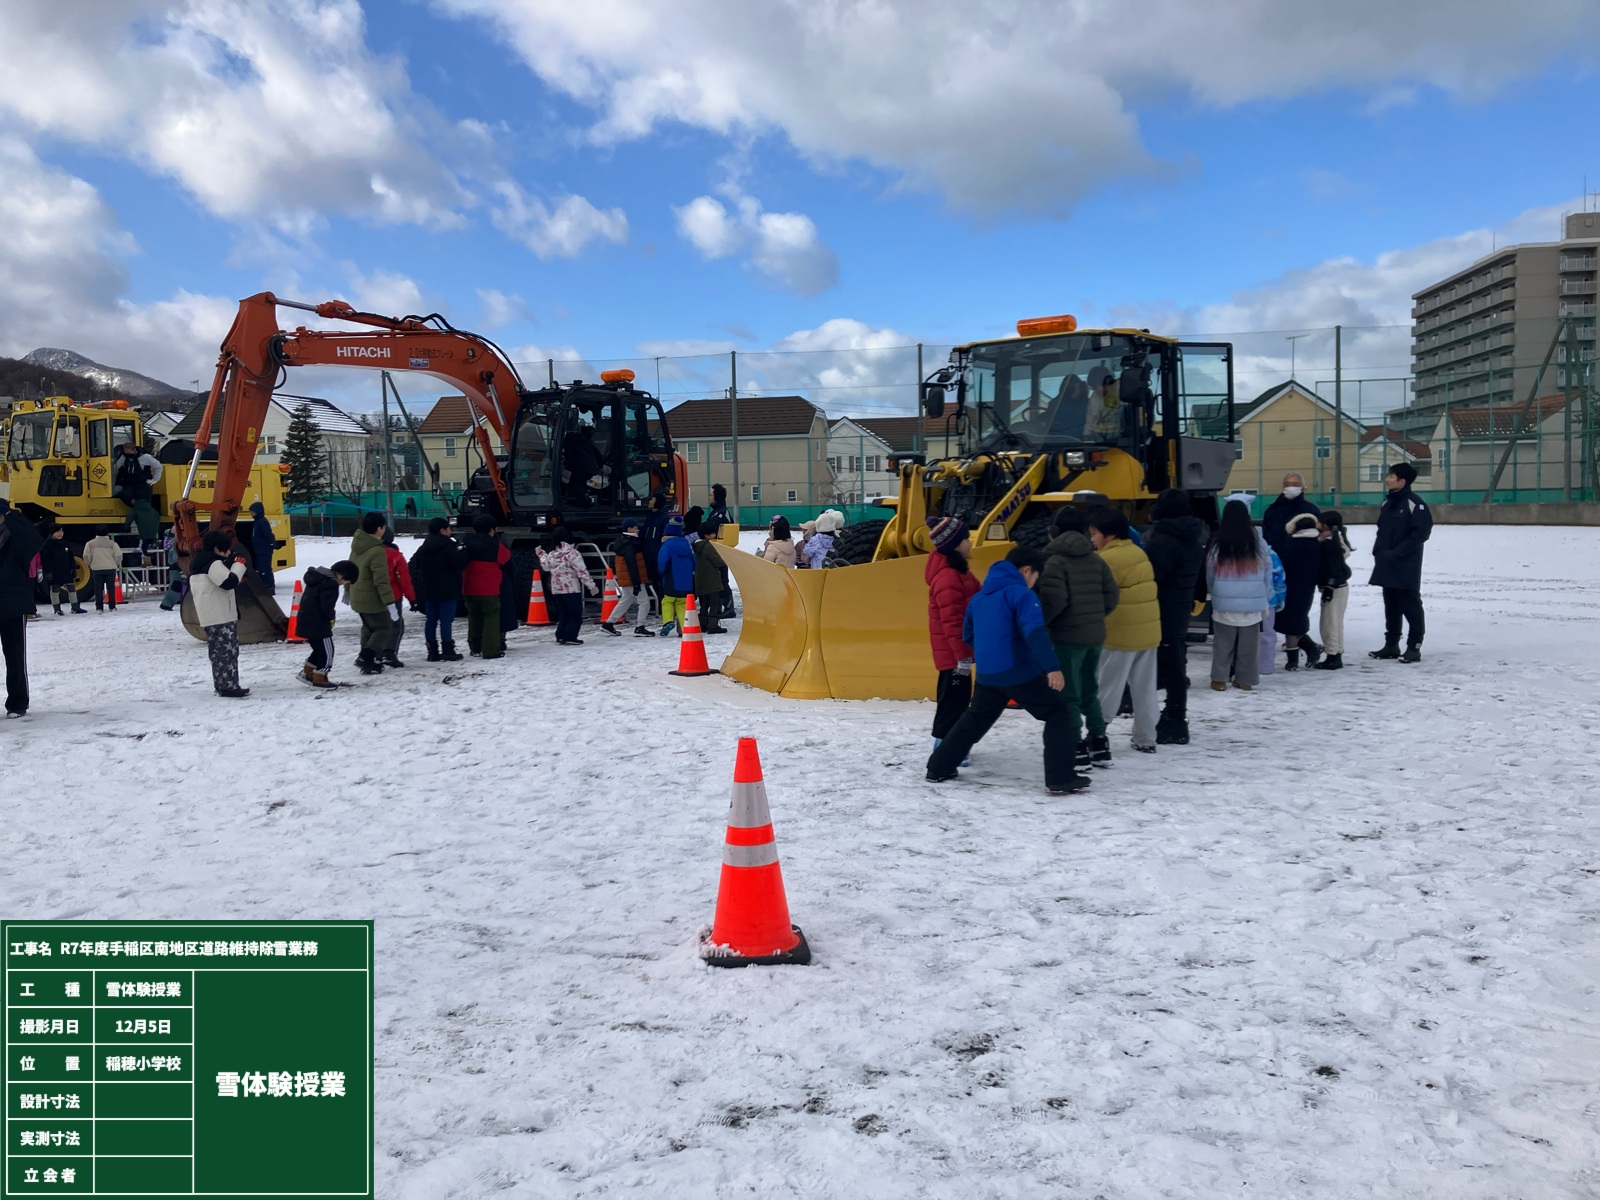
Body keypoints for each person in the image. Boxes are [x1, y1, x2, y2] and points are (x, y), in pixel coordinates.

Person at [925, 546, 1087, 795]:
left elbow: (968, 634)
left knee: (975, 718)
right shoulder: (1020, 594)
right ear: (1026, 570)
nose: (1034, 583)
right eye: (1035, 577)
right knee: (1058, 713)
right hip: (1018, 670)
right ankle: (1061, 778)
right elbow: (1035, 632)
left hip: (988, 674)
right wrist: (1052, 668)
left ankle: (938, 767)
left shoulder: (980, 597)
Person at [1036, 506, 1119, 770]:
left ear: (1054, 531)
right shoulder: (1097, 559)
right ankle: (1099, 741)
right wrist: (1094, 617)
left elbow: (1054, 600)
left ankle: (1076, 747)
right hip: (1095, 635)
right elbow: (1112, 597)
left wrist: (1044, 624)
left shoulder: (1053, 561)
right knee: (1089, 690)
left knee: (1068, 694)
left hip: (1066, 638)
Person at [1090, 507, 1161, 756]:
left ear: (1108, 534)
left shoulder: (1106, 560)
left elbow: (1098, 597)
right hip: (1148, 632)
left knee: (1108, 689)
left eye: (1095, 533)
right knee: (1145, 689)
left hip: (1119, 634)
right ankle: (1146, 738)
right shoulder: (1138, 552)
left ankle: (1097, 733)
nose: (1092, 538)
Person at [1143, 489, 1207, 745]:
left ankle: (1175, 720)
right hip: (1180, 608)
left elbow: (1152, 577)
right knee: (1176, 664)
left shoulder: (1163, 541)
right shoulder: (1193, 538)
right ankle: (1175, 716)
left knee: (1170, 667)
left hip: (1161, 609)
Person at [1205, 499, 1274, 692]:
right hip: (1253, 602)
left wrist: (1214, 590)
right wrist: (1263, 594)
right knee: (1249, 646)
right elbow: (1267, 571)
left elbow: (1210, 571)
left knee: (1222, 643)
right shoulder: (1258, 541)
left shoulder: (1218, 541)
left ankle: (1219, 679)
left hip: (1224, 600)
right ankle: (1246, 680)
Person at [924, 516, 980, 753]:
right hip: (953, 655)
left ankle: (953, 745)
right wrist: (962, 657)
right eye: (966, 539)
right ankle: (945, 746)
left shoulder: (960, 572)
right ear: (955, 545)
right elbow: (952, 622)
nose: (970, 543)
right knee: (952, 702)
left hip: (958, 652)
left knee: (958, 699)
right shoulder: (948, 578)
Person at [1369, 462, 1432, 663]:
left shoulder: (1416, 503)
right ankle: (1391, 645)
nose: (1387, 479)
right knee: (1391, 604)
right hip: (1386, 562)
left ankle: (1414, 646)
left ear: (1402, 481)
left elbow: (1421, 533)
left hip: (1406, 565)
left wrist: (1398, 553)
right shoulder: (1387, 504)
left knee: (1410, 604)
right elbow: (1382, 530)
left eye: (1391, 476)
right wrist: (1378, 551)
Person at [1262, 473, 1323, 669]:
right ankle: (1304, 648)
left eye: (1295, 484)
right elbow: (1267, 537)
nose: (1291, 487)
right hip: (1278, 569)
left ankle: (1296, 656)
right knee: (1280, 613)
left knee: (1296, 612)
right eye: (1287, 484)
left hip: (1303, 571)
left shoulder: (1309, 510)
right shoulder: (1272, 511)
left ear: (1303, 487)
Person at [188, 528, 251, 698]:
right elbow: (228, 582)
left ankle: (222, 685)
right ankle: (229, 687)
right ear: (217, 547)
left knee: (217, 653)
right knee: (227, 652)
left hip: (209, 616)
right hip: (221, 615)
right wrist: (239, 564)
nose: (228, 551)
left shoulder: (199, 563)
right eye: (226, 548)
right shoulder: (213, 564)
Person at [0, 500, 44, 717]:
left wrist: (12, 515)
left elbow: (34, 540)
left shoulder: (16, 539)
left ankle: (17, 703)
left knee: (15, 656)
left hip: (13, 606)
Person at [410, 517, 468, 661]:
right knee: (446, 621)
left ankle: (432, 651)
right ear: (442, 530)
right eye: (448, 528)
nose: (450, 530)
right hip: (448, 588)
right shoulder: (448, 546)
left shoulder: (424, 547)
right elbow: (459, 564)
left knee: (431, 621)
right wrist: (464, 553)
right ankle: (448, 649)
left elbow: (416, 564)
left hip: (429, 588)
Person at [346, 511, 397, 675]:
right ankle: (366, 657)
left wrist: (347, 590)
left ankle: (368, 662)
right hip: (371, 598)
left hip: (357, 595)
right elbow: (381, 581)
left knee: (368, 627)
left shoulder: (358, 545)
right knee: (383, 628)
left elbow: (350, 569)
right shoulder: (376, 551)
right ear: (379, 529)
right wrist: (390, 603)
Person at [296, 560, 358, 687]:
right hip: (319, 622)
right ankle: (320, 677)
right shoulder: (330, 584)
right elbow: (327, 606)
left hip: (306, 619)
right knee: (328, 651)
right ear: (342, 575)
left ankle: (308, 672)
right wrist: (331, 618)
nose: (344, 584)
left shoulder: (317, 578)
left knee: (319, 650)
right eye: (346, 581)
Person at [538, 526, 599, 645]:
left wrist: (541, 554)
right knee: (575, 614)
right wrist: (591, 586)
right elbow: (582, 571)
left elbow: (545, 567)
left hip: (556, 590)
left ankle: (560, 635)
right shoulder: (573, 553)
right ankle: (570, 636)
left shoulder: (552, 554)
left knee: (564, 613)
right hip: (571, 589)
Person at [462, 513, 510, 658]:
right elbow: (506, 558)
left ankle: (474, 647)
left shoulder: (466, 542)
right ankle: (491, 650)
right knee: (491, 618)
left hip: (469, 586)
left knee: (473, 616)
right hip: (489, 587)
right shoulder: (495, 544)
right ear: (491, 529)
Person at [1313, 511, 1354, 671]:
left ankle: (1333, 656)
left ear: (1325, 525)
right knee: (1335, 622)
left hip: (1333, 588)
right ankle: (1336, 652)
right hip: (1339, 587)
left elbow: (1333, 567)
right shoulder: (1336, 539)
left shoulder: (1328, 543)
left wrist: (1329, 586)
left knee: (1330, 623)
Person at [606, 516, 653, 636]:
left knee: (626, 600)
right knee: (644, 602)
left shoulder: (622, 541)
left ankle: (609, 623)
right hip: (633, 578)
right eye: (636, 528)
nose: (638, 530)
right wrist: (637, 583)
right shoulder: (631, 544)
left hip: (627, 578)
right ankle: (640, 626)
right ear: (629, 529)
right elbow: (632, 564)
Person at [113, 442, 163, 546]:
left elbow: (158, 467)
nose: (126, 453)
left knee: (146, 511)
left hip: (143, 486)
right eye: (124, 451)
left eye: (127, 451)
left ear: (133, 449)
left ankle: (151, 538)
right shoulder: (124, 458)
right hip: (130, 485)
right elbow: (116, 468)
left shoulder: (145, 458)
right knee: (123, 495)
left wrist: (154, 480)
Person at [656, 514, 695, 637]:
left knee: (667, 601)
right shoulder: (687, 545)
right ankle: (684, 628)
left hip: (671, 580)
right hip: (686, 583)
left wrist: (661, 572)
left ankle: (668, 621)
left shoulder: (666, 546)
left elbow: (662, 562)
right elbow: (694, 562)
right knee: (682, 604)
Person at [381, 529, 415, 667]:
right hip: (392, 595)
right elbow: (404, 579)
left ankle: (373, 653)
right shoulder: (395, 556)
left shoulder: (367, 553)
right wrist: (412, 598)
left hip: (372, 595)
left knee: (376, 625)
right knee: (396, 625)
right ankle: (389, 653)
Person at [38, 526, 82, 616]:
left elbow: (71, 557)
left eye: (61, 532)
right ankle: (57, 609)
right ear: (52, 533)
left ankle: (75, 607)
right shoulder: (47, 545)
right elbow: (45, 560)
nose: (60, 534)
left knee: (71, 588)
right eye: (57, 532)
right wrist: (48, 572)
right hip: (54, 571)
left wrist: (73, 568)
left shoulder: (65, 543)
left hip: (66, 570)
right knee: (55, 589)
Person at [692, 534, 728, 634]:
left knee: (705, 602)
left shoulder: (697, 546)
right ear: (706, 535)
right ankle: (712, 625)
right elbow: (717, 561)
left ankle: (702, 624)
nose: (715, 535)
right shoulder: (708, 546)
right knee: (714, 602)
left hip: (701, 578)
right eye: (712, 533)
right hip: (712, 578)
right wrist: (723, 561)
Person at [83, 525, 121, 612]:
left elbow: (86, 556)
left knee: (98, 588)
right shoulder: (113, 544)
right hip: (110, 568)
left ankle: (99, 607)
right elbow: (118, 556)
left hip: (97, 568)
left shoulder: (90, 544)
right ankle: (112, 606)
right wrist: (114, 563)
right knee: (111, 588)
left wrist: (91, 563)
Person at [247, 501, 279, 593]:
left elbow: (268, 534)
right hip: (259, 550)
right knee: (261, 569)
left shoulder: (262, 522)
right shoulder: (257, 522)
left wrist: (272, 544)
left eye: (252, 512)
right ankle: (264, 586)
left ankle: (269, 587)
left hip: (264, 550)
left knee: (265, 569)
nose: (251, 514)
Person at [1085, 365, 1123, 440]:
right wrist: (1087, 438)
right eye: (1093, 388)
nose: (1096, 390)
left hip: (1126, 438)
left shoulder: (1123, 390)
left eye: (1096, 386)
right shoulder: (1094, 399)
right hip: (1104, 439)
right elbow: (1090, 423)